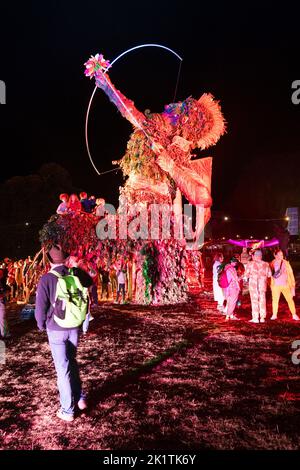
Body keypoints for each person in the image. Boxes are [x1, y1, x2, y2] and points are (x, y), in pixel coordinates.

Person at [35, 244, 93, 422]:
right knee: (72, 362)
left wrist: (41, 325)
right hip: (74, 325)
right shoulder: (73, 274)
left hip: (56, 328)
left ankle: (67, 410)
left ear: (50, 260)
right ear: (66, 258)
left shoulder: (46, 279)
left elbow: (40, 307)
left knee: (62, 368)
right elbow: (89, 285)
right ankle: (80, 397)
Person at [270, 249, 299, 321]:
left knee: (290, 299)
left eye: (282, 255)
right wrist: (270, 285)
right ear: (275, 255)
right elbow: (270, 275)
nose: (281, 256)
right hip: (275, 285)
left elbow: (291, 274)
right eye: (279, 255)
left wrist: (292, 286)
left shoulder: (286, 263)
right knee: (275, 300)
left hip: (285, 285)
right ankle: (274, 314)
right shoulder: (272, 263)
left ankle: (294, 314)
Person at [244, 250, 271, 323]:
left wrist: (251, 275)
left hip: (253, 285)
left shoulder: (250, 264)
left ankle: (255, 318)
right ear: (261, 256)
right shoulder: (266, 264)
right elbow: (269, 275)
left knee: (254, 301)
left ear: (254, 256)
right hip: (262, 285)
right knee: (262, 300)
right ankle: (262, 318)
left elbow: (246, 275)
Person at [0, 267, 10, 339]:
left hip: (1, 300)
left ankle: (5, 334)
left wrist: (6, 293)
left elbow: (6, 288)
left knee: (3, 317)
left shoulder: (2, 281)